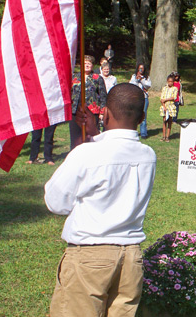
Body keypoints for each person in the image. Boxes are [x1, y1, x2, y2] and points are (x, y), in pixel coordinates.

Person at [45, 83, 156, 317]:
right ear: (142, 116)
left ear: (104, 112)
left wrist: (91, 141)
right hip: (130, 257)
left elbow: (55, 202)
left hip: (90, 255)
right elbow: (117, 151)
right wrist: (96, 135)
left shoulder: (86, 154)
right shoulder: (148, 155)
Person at [69, 55, 107, 150]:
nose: (86, 65)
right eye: (84, 63)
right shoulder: (74, 77)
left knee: (90, 136)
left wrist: (102, 112)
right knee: (75, 136)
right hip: (75, 111)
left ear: (93, 65)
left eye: (89, 63)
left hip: (92, 111)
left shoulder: (97, 78)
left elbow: (103, 96)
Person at [129, 63, 151, 139]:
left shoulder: (147, 77)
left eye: (142, 68)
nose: (141, 70)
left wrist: (142, 79)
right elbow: (131, 85)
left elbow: (148, 86)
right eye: (139, 68)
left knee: (143, 115)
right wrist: (136, 79)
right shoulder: (134, 76)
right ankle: (133, 132)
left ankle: (143, 133)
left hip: (144, 98)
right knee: (134, 115)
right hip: (135, 98)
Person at [160, 75, 178, 142]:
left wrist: (166, 99)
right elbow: (161, 98)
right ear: (167, 81)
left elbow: (174, 97)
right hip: (165, 106)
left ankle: (168, 136)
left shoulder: (175, 88)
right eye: (169, 81)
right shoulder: (164, 88)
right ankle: (163, 136)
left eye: (171, 82)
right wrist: (163, 106)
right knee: (164, 121)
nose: (170, 83)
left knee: (169, 121)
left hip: (171, 106)